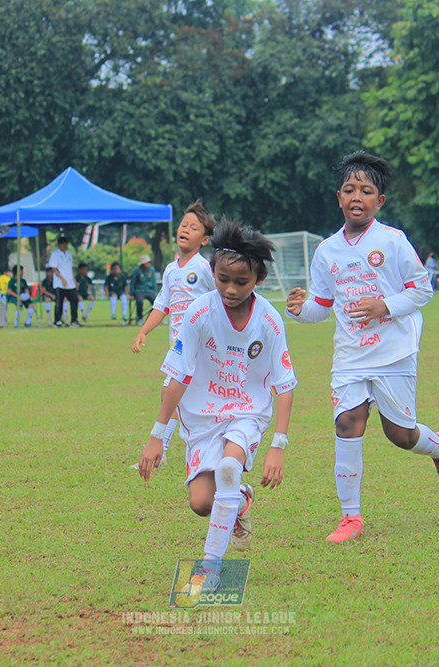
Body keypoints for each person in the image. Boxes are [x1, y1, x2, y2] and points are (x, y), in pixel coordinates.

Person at [285, 150, 439, 544]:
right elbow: (322, 309)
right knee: (348, 423)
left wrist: (385, 305)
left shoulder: (393, 241)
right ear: (339, 198)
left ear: (379, 201)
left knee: (400, 435)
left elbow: (422, 289)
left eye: (366, 191)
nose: (357, 197)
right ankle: (351, 518)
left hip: (394, 352)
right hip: (350, 356)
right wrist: (300, 310)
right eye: (349, 189)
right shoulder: (327, 251)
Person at [138, 218, 296, 599]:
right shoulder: (198, 313)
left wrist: (279, 443)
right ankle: (239, 500)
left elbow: (285, 385)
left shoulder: (270, 320)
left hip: (247, 413)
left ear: (259, 279)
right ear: (212, 271)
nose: (230, 288)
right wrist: (157, 436)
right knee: (201, 503)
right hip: (202, 418)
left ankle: (211, 567)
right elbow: (177, 377)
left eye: (241, 282)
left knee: (228, 467)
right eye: (223, 278)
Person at [132, 199, 216, 465]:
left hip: (201, 345)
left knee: (174, 393)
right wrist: (143, 331)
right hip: (177, 345)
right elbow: (162, 305)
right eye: (183, 225)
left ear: (204, 240)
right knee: (174, 395)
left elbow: (221, 298)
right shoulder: (170, 269)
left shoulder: (204, 268)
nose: (185, 229)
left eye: (193, 228)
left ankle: (169, 451)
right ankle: (170, 451)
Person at [47, 236, 79, 327]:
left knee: (74, 299)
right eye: (63, 244)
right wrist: (62, 279)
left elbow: (70, 268)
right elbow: (54, 268)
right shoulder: (55, 254)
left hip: (70, 283)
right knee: (59, 302)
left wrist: (74, 281)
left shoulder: (68, 254)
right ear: (59, 245)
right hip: (60, 283)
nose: (65, 246)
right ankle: (57, 321)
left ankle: (74, 320)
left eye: (66, 244)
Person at [130, 254, 157, 322]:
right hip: (139, 290)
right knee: (139, 301)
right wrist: (132, 294)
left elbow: (154, 282)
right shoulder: (136, 270)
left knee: (157, 303)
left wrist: (156, 293)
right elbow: (132, 282)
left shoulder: (152, 270)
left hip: (149, 290)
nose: (148, 264)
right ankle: (139, 318)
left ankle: (152, 319)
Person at [106, 261, 128, 325]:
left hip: (120, 291)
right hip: (113, 291)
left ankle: (124, 314)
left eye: (117, 268)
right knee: (113, 296)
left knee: (123, 298)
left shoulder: (122, 277)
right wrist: (107, 294)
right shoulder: (109, 277)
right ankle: (113, 313)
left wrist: (126, 294)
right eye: (114, 269)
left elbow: (126, 286)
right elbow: (106, 286)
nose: (116, 270)